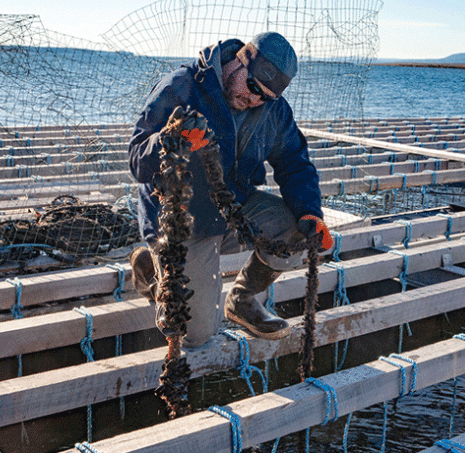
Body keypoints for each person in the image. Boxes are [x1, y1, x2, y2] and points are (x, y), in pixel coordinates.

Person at [128, 31, 332, 348]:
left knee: (299, 231)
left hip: (232, 212)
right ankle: (154, 273)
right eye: (252, 87)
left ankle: (243, 300)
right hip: (180, 221)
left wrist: (310, 212)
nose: (254, 99)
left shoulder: (273, 111)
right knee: (195, 335)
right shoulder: (182, 86)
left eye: (265, 96)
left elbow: (294, 161)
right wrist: (173, 142)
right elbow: (137, 160)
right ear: (238, 62)